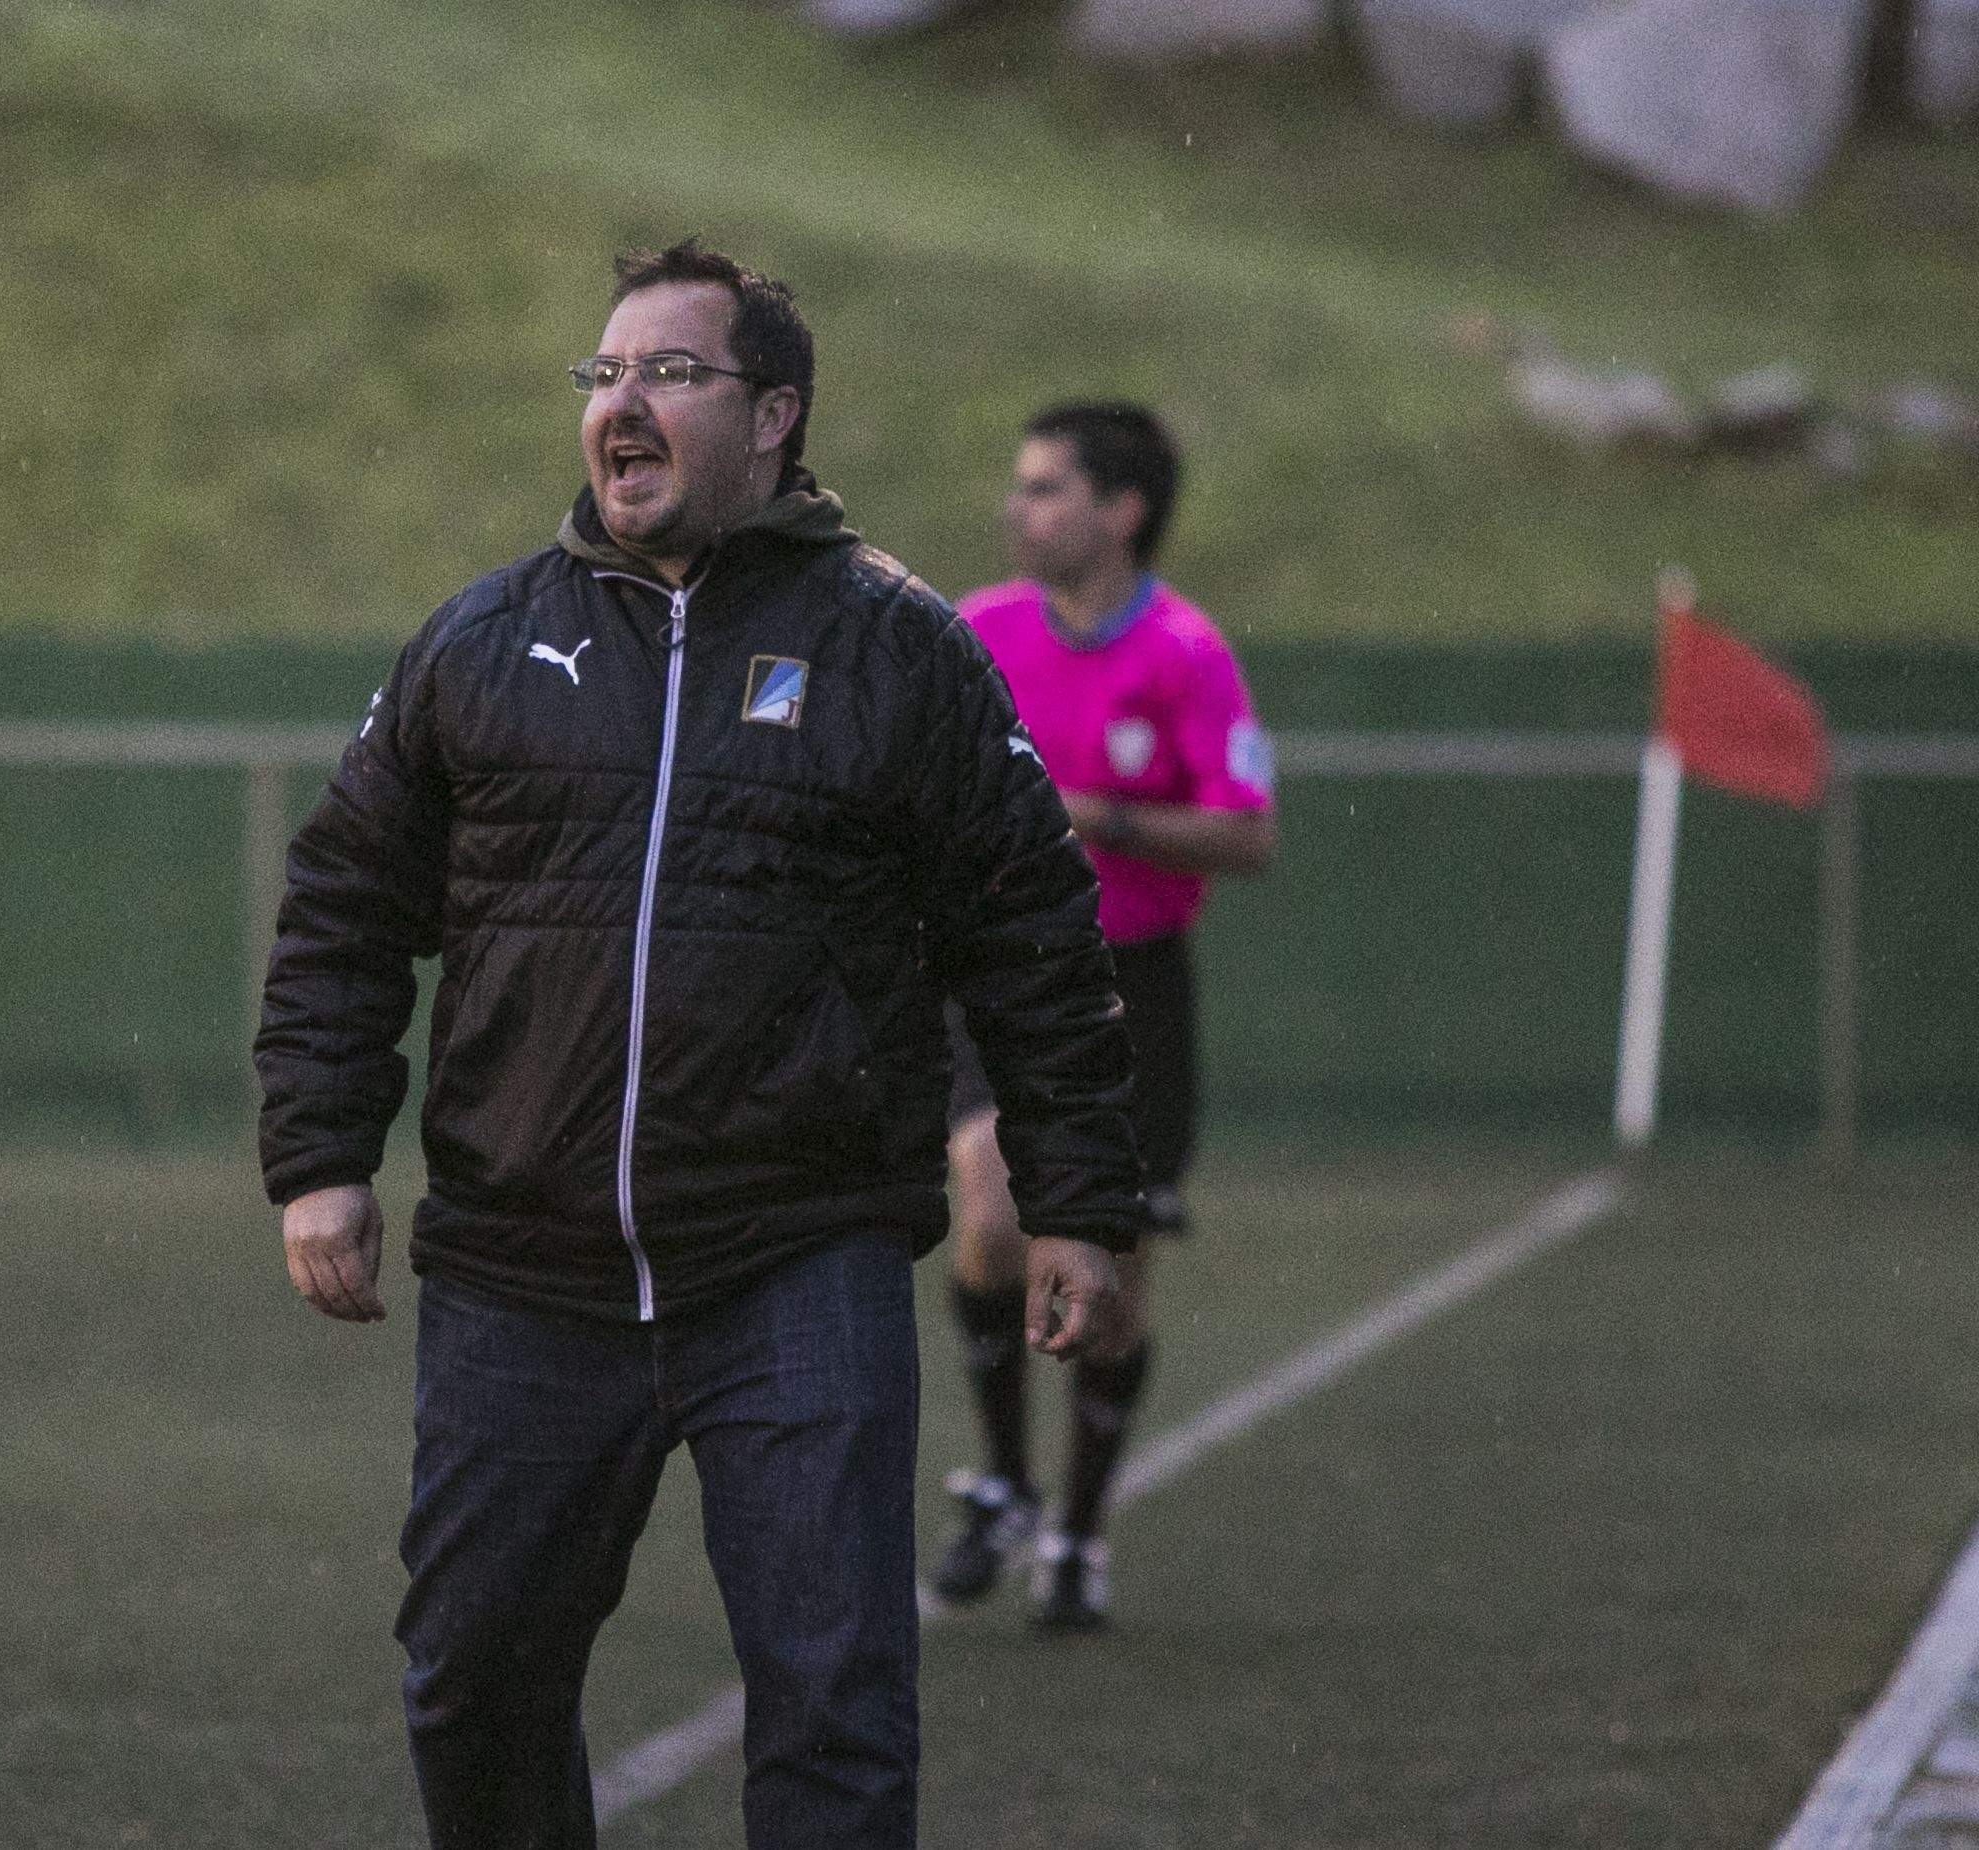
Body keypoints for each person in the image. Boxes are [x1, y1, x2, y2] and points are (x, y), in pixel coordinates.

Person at [254, 241, 1149, 1850]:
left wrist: (1074, 1198)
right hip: (522, 1268)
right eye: (602, 374)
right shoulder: (479, 641)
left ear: (772, 414)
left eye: (667, 372)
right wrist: (319, 1156)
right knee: (472, 1680)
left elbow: (1031, 931)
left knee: (832, 1703)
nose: (621, 403)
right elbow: (340, 906)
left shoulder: (899, 650)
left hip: (794, 1257)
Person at [927, 401, 1277, 1632]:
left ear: (1121, 509)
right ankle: (1005, 1478)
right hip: (997, 971)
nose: (1018, 508)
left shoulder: (1187, 652)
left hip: (1134, 986)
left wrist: (1095, 815)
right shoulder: (975, 631)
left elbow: (1247, 832)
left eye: (1046, 488)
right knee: (989, 1207)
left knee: (1112, 1283)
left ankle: (1076, 1530)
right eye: (1019, 486)